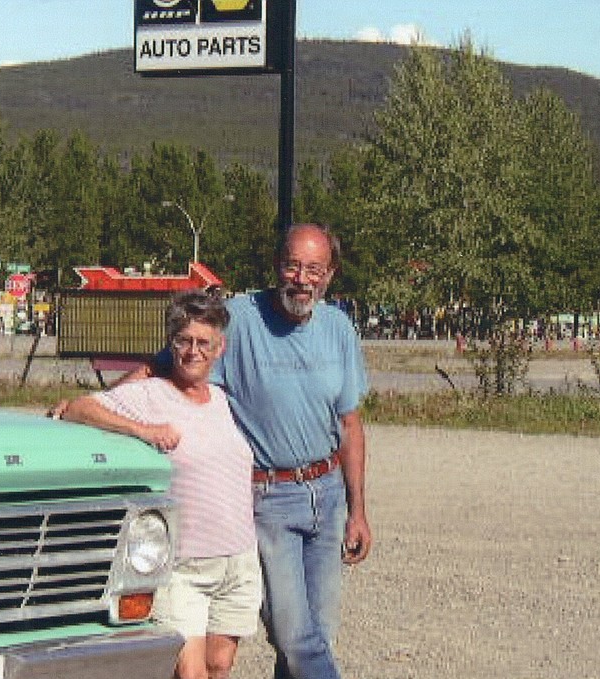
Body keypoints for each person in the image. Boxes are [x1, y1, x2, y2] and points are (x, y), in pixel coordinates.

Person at [61, 289, 261, 679]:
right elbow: (78, 408)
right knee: (190, 674)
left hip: (238, 560)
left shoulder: (221, 400)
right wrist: (143, 430)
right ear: (171, 344)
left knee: (219, 666)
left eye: (204, 342)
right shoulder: (149, 395)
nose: (193, 351)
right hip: (185, 566)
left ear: (219, 348)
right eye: (184, 341)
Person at [212, 223, 371, 679]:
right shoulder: (239, 319)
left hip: (326, 494)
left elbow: (350, 423)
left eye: (314, 269)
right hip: (269, 499)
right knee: (296, 637)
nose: (302, 279)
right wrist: (97, 407)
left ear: (330, 275)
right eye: (293, 265)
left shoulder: (339, 327)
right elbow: (173, 364)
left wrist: (358, 510)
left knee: (316, 633)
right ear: (276, 265)